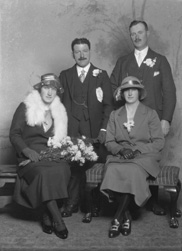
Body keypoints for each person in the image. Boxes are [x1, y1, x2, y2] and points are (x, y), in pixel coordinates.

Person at [110, 20, 176, 215]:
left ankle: (152, 199)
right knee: (130, 157)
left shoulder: (160, 60)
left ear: (147, 33)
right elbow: (113, 86)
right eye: (133, 34)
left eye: (140, 32)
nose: (137, 37)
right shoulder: (123, 61)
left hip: (153, 121)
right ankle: (128, 200)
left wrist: (166, 119)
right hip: (129, 122)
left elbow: (169, 92)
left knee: (150, 158)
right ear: (130, 36)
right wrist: (118, 93)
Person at [100, 76, 165, 238]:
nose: (130, 93)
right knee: (113, 168)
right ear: (122, 93)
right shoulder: (115, 115)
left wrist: (137, 150)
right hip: (120, 156)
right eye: (126, 90)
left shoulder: (150, 114)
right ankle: (126, 217)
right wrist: (121, 150)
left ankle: (117, 218)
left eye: (133, 89)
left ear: (139, 92)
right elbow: (109, 141)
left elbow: (159, 142)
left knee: (132, 170)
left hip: (144, 156)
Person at [9, 73, 71, 239]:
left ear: (57, 91)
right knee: (44, 174)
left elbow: (62, 139)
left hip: (51, 154)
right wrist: (26, 151)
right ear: (39, 88)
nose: (49, 92)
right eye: (46, 88)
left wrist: (64, 150)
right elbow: (14, 134)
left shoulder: (59, 111)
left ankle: (46, 214)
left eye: (53, 88)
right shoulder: (26, 106)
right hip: (30, 156)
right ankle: (58, 220)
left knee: (63, 169)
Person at [59, 38, 114, 219]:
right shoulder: (65, 75)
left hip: (95, 131)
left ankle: (93, 203)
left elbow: (108, 106)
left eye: (85, 51)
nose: (81, 55)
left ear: (90, 51)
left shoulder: (101, 75)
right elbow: (58, 107)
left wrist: (104, 130)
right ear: (72, 54)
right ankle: (72, 203)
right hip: (73, 130)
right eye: (77, 51)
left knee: (95, 162)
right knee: (74, 164)